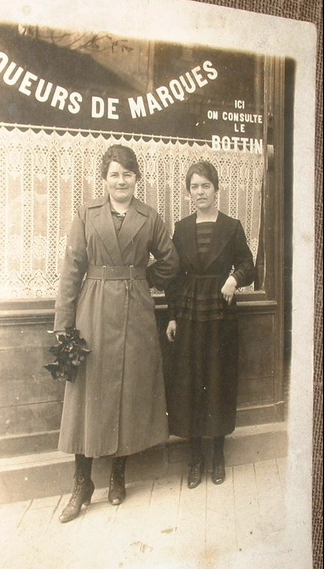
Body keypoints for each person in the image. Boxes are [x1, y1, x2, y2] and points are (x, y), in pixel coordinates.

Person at [54, 144, 179, 522]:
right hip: (92, 310)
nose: (120, 180)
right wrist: (63, 324)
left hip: (134, 312)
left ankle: (117, 476)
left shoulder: (150, 217)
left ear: (136, 178)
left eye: (127, 173)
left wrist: (141, 280)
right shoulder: (86, 214)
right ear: (104, 179)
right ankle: (81, 482)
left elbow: (171, 262)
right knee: (88, 393)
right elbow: (72, 270)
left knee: (127, 389)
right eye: (113, 174)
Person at [165, 160, 255, 489]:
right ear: (188, 192)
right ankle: (195, 458)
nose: (200, 192)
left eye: (206, 185)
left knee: (217, 380)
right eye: (194, 187)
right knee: (191, 382)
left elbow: (248, 264)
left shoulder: (231, 226)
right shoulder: (181, 227)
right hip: (189, 313)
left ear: (216, 189)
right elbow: (173, 277)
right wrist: (173, 314)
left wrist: (234, 278)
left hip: (220, 313)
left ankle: (218, 454)